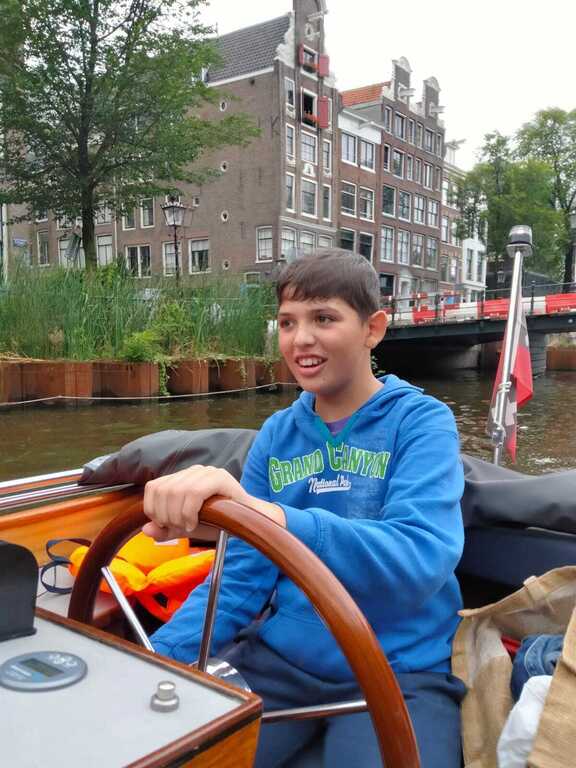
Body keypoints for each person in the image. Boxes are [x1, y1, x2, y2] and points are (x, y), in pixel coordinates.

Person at [143, 249, 466, 768]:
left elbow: (420, 556)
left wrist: (280, 521)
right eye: (287, 322)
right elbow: (241, 576)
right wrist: (154, 658)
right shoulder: (277, 434)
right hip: (282, 662)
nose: (301, 339)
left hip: (397, 670)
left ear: (373, 329)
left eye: (324, 318)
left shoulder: (422, 422)